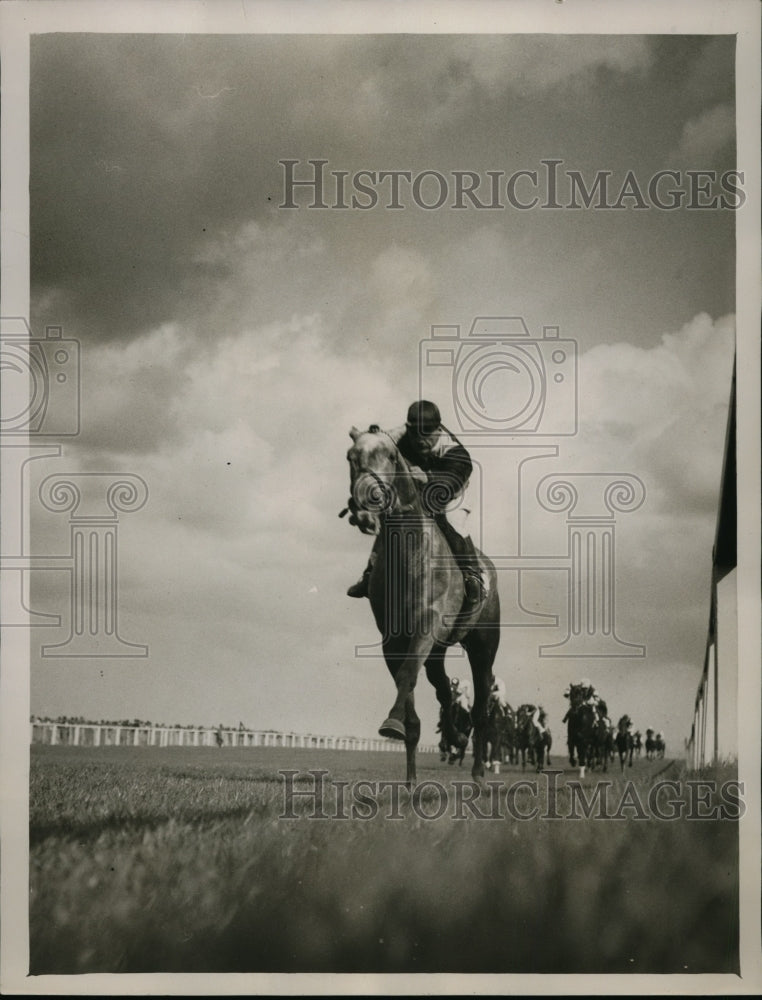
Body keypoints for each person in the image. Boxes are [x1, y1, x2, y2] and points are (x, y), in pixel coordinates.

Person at [347, 399, 485, 609]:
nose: (420, 440)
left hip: (453, 490)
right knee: (392, 517)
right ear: (408, 429)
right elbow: (379, 440)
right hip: (417, 487)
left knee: (452, 520)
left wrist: (429, 477)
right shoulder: (403, 436)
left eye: (427, 434)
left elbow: (452, 481)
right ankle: (369, 573)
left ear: (438, 430)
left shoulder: (457, 453)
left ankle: (472, 575)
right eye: (415, 434)